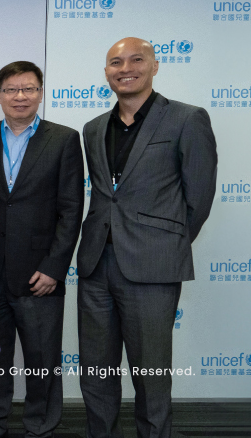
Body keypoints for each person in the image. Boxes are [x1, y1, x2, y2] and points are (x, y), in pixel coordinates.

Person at [77, 37, 217, 438]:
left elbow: (199, 197)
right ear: (106, 73)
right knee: (96, 373)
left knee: (151, 375)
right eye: (115, 62)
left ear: (155, 66)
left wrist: (164, 245)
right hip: (95, 265)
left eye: (136, 59)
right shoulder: (93, 128)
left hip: (153, 266)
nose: (126, 69)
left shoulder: (187, 119)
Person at [0, 62, 84, 438]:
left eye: (29, 89)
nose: (20, 96)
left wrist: (54, 267)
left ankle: (41, 427)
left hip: (40, 272)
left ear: (41, 92)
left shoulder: (64, 139)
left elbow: (71, 209)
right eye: (11, 89)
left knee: (42, 359)